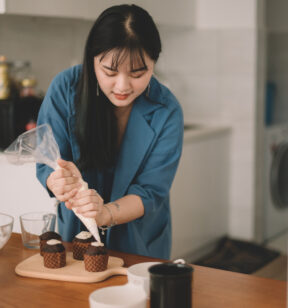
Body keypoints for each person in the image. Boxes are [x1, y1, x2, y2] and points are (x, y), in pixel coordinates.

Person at [36, 4, 183, 259]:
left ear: (154, 63)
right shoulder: (65, 89)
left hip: (140, 243)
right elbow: (48, 160)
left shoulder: (167, 110)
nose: (123, 86)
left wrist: (105, 214)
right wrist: (56, 181)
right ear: (92, 60)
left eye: (138, 72)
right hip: (76, 236)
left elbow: (150, 191)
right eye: (110, 72)